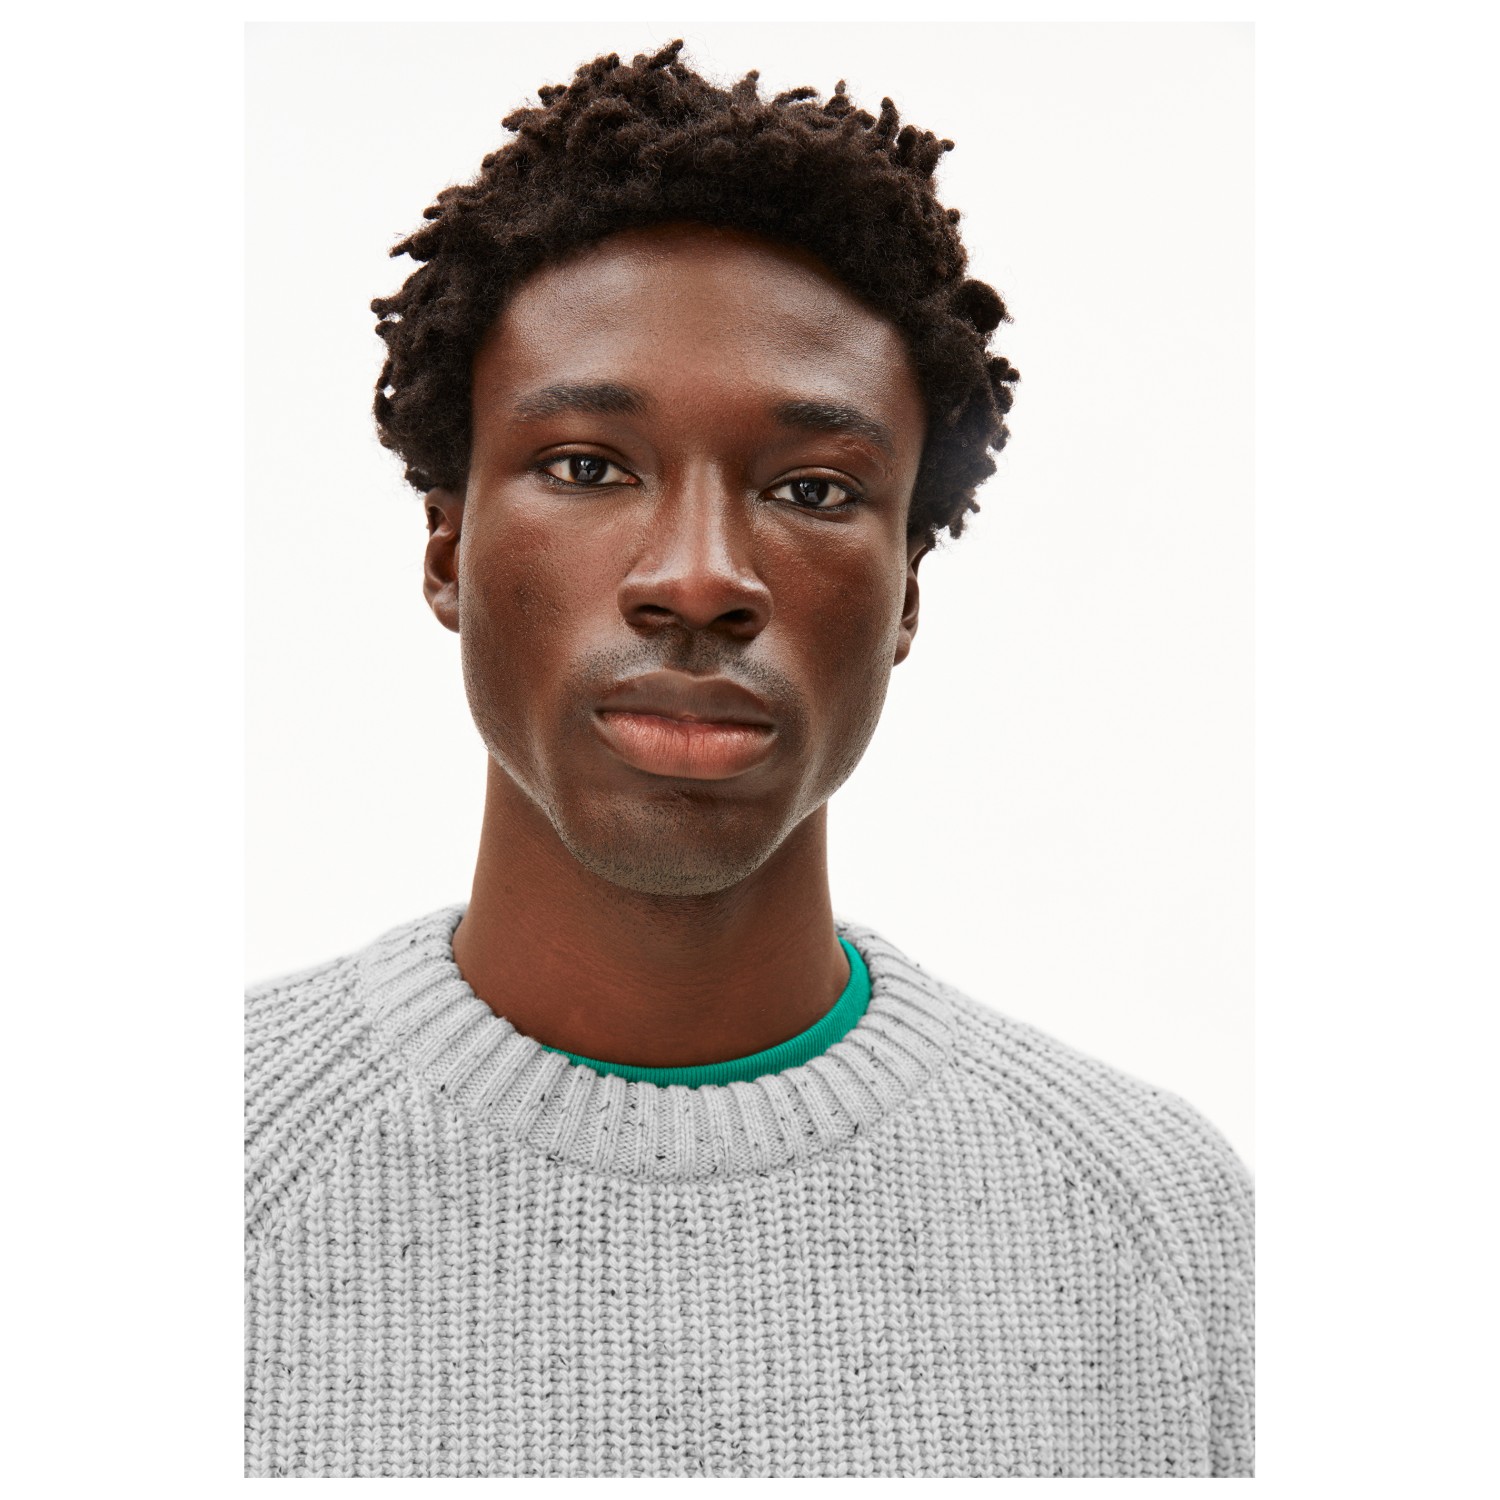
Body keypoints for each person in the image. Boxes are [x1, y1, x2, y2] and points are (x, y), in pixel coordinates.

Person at [245, 41, 1253, 1479]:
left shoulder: (1164, 1230)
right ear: (448, 546)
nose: (699, 578)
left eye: (812, 489)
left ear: (906, 594)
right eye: (588, 465)